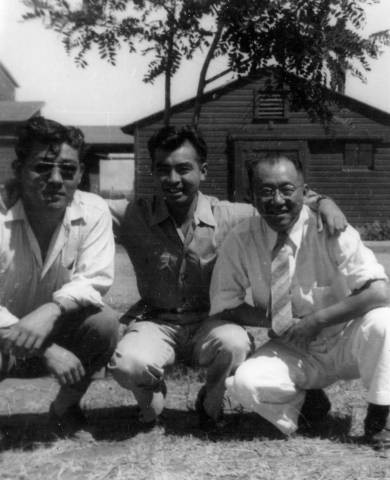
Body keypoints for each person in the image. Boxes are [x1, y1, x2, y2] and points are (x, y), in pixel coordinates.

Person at [107, 125, 347, 430]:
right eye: (163, 170)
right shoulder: (132, 214)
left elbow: (280, 197)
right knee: (128, 364)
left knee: (234, 343)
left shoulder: (231, 215)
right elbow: (86, 207)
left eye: (183, 169)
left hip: (211, 324)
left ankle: (211, 399)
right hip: (158, 322)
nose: (173, 180)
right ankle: (151, 394)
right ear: (153, 172)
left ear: (203, 170)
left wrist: (323, 201)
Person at [209, 152, 390, 448]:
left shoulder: (331, 228)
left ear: (305, 192)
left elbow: (379, 292)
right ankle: (308, 403)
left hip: (345, 339)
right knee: (245, 385)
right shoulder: (240, 239)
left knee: (384, 322)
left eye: (286, 189)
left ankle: (381, 415)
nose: (277, 199)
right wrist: (277, 322)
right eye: (266, 191)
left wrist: (316, 321)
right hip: (293, 345)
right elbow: (225, 303)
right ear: (252, 197)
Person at [0, 116, 119, 439]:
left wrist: (50, 311)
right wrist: (46, 349)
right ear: (19, 169)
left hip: (56, 327)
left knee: (104, 324)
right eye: (42, 167)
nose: (55, 179)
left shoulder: (93, 210)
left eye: (67, 170)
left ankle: (65, 409)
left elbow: (94, 279)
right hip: (3, 338)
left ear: (80, 174)